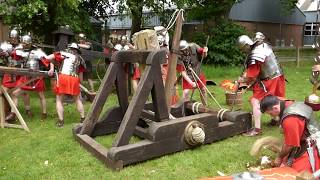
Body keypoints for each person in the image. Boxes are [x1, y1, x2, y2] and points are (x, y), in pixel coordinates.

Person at [237, 32, 286, 137]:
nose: (243, 51)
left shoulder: (255, 53)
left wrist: (241, 80)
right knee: (277, 99)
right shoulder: (262, 46)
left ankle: (257, 129)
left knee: (256, 101)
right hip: (277, 75)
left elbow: (252, 76)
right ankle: (278, 120)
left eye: (243, 49)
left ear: (246, 46)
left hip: (270, 80)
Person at [260, 95, 320, 173]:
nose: (271, 116)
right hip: (308, 138)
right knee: (286, 162)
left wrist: (279, 157)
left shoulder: (290, 119)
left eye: (270, 113)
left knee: (296, 173)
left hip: (312, 145)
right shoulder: (287, 103)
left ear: (275, 108)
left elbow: (290, 145)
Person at [7, 34, 54, 121]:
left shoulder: (37, 52)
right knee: (15, 93)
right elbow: (12, 56)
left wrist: (51, 68)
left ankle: (44, 113)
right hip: (25, 77)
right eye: (23, 43)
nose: (24, 45)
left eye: (26, 44)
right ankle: (13, 114)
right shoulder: (20, 51)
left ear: (29, 43)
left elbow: (49, 60)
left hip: (36, 77)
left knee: (41, 95)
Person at [45, 43, 85, 127]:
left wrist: (52, 66)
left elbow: (48, 58)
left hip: (63, 77)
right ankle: (83, 119)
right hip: (74, 79)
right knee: (77, 99)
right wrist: (80, 83)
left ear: (69, 48)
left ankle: (61, 121)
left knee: (59, 100)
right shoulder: (80, 59)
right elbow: (81, 76)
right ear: (77, 50)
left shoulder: (63, 54)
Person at [1, 30, 32, 121]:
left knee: (22, 92)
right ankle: (7, 111)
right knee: (5, 91)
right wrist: (3, 55)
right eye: (12, 37)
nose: (13, 39)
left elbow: (26, 57)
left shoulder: (22, 46)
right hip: (9, 72)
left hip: (19, 72)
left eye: (15, 38)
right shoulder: (5, 46)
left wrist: (11, 54)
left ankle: (26, 110)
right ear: (10, 37)